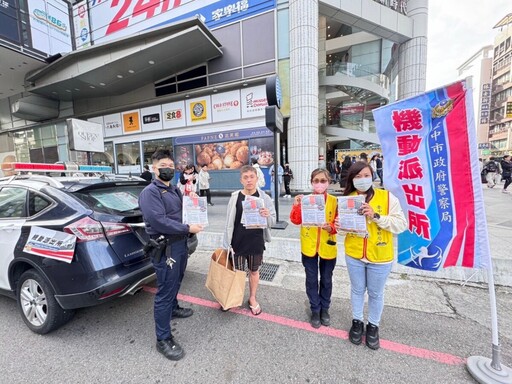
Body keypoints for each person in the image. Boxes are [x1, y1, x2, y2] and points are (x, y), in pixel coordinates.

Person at [138, 150, 204, 361]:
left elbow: (181, 212)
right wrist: (187, 228)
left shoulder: (174, 189)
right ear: (154, 168)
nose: (167, 168)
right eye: (163, 165)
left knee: (177, 280)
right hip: (165, 247)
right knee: (165, 290)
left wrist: (192, 200)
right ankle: (163, 339)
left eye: (170, 164)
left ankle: (173, 308)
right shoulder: (150, 192)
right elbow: (159, 221)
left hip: (180, 245)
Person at [335, 161, 407, 350]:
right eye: (357, 176)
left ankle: (373, 325)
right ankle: (357, 321)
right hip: (355, 254)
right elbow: (342, 231)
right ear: (351, 179)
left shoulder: (387, 197)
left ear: (372, 176)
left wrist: (376, 216)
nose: (362, 180)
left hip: (380, 255)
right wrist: (339, 225)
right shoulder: (347, 199)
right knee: (357, 290)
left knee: (376, 293)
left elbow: (401, 224)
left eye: (365, 175)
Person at [223, 165, 276, 315]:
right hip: (238, 242)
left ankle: (252, 298)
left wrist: (267, 216)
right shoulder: (235, 197)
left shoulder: (264, 198)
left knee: (254, 271)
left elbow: (273, 221)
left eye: (251, 177)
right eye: (245, 177)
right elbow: (229, 222)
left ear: (256, 178)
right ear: (241, 180)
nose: (249, 180)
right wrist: (228, 243)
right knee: (238, 273)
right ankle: (235, 298)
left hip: (256, 242)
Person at [289, 168, 338, 328]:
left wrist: (330, 228)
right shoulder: (305, 200)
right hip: (309, 247)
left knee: (326, 279)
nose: (319, 184)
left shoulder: (335, 201)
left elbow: (339, 223)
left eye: (323, 181)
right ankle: (315, 309)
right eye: (316, 180)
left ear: (328, 183)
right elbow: (296, 221)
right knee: (311, 280)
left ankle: (325, 309)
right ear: (311, 182)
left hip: (327, 247)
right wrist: (296, 205)